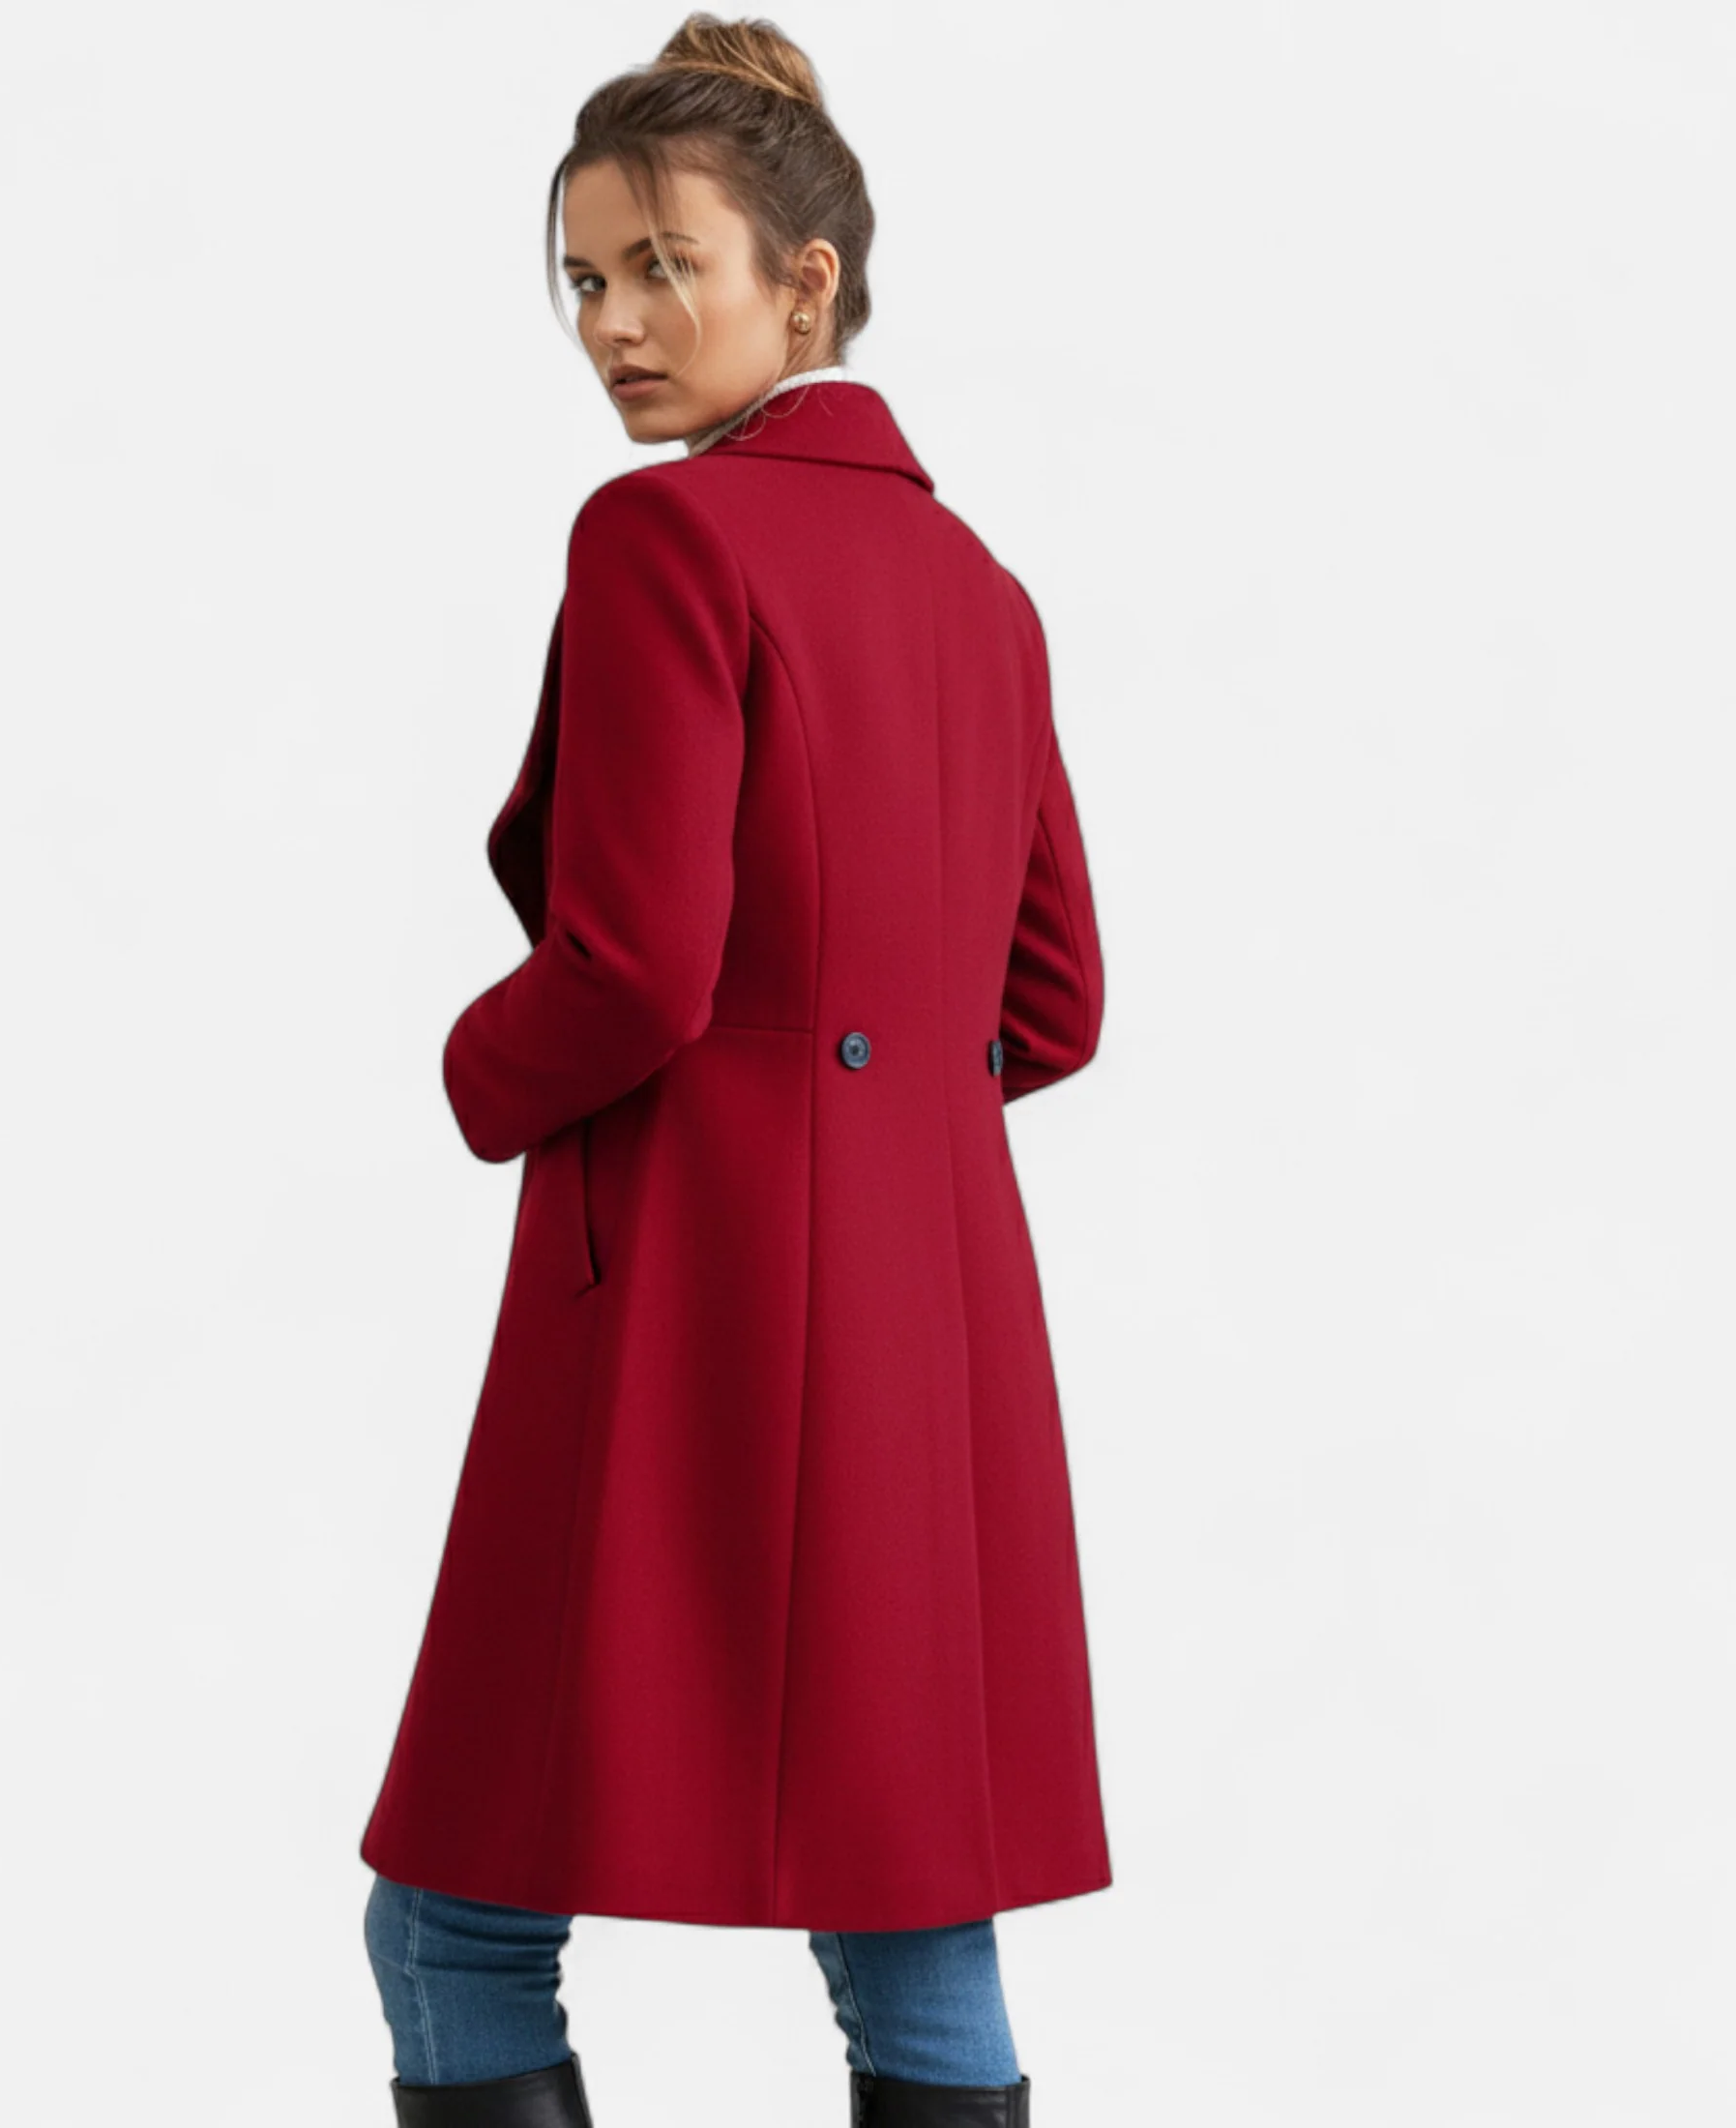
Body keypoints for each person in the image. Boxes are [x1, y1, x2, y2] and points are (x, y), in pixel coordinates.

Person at [359, 15, 1108, 2124]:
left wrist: (471, 1070)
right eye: (584, 278)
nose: (612, 323)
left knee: (455, 1909)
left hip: (686, 1289)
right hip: (927, 1313)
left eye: (662, 266)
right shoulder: (983, 592)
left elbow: (632, 967)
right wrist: (872, 1122)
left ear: (806, 279)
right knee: (908, 1892)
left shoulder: (663, 540)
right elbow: (1052, 1001)